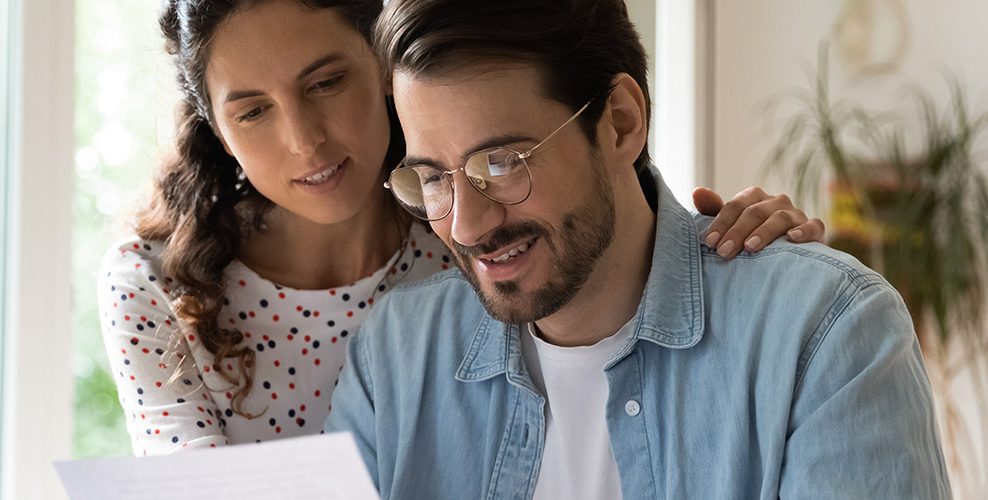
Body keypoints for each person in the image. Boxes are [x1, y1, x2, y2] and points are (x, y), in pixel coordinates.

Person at [97, 0, 826, 456]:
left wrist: (745, 260)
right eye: (252, 110)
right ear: (219, 131)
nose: (305, 141)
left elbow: (603, 206)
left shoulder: (467, 247)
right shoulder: (157, 286)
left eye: (327, 83)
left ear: (385, 76)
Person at [323, 0, 951, 498]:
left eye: (503, 162)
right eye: (433, 177)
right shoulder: (396, 356)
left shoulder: (825, 334)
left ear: (621, 121)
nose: (465, 224)